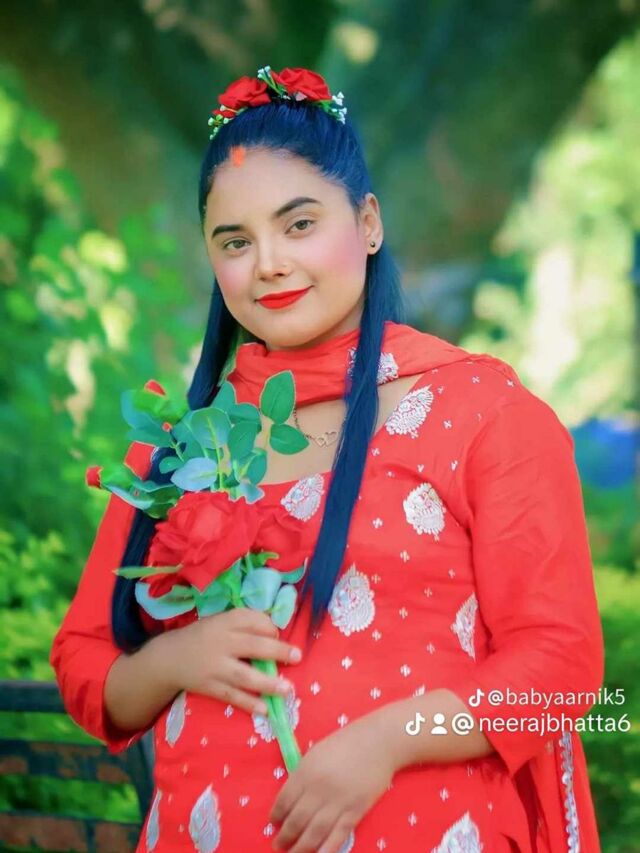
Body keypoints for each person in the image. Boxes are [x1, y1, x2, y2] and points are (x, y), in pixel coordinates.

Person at [50, 66, 605, 853]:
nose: (268, 262)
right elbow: (84, 663)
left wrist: (386, 741)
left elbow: (559, 666)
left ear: (368, 223)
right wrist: (176, 657)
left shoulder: (484, 413)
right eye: (235, 241)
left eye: (299, 223)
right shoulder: (184, 447)